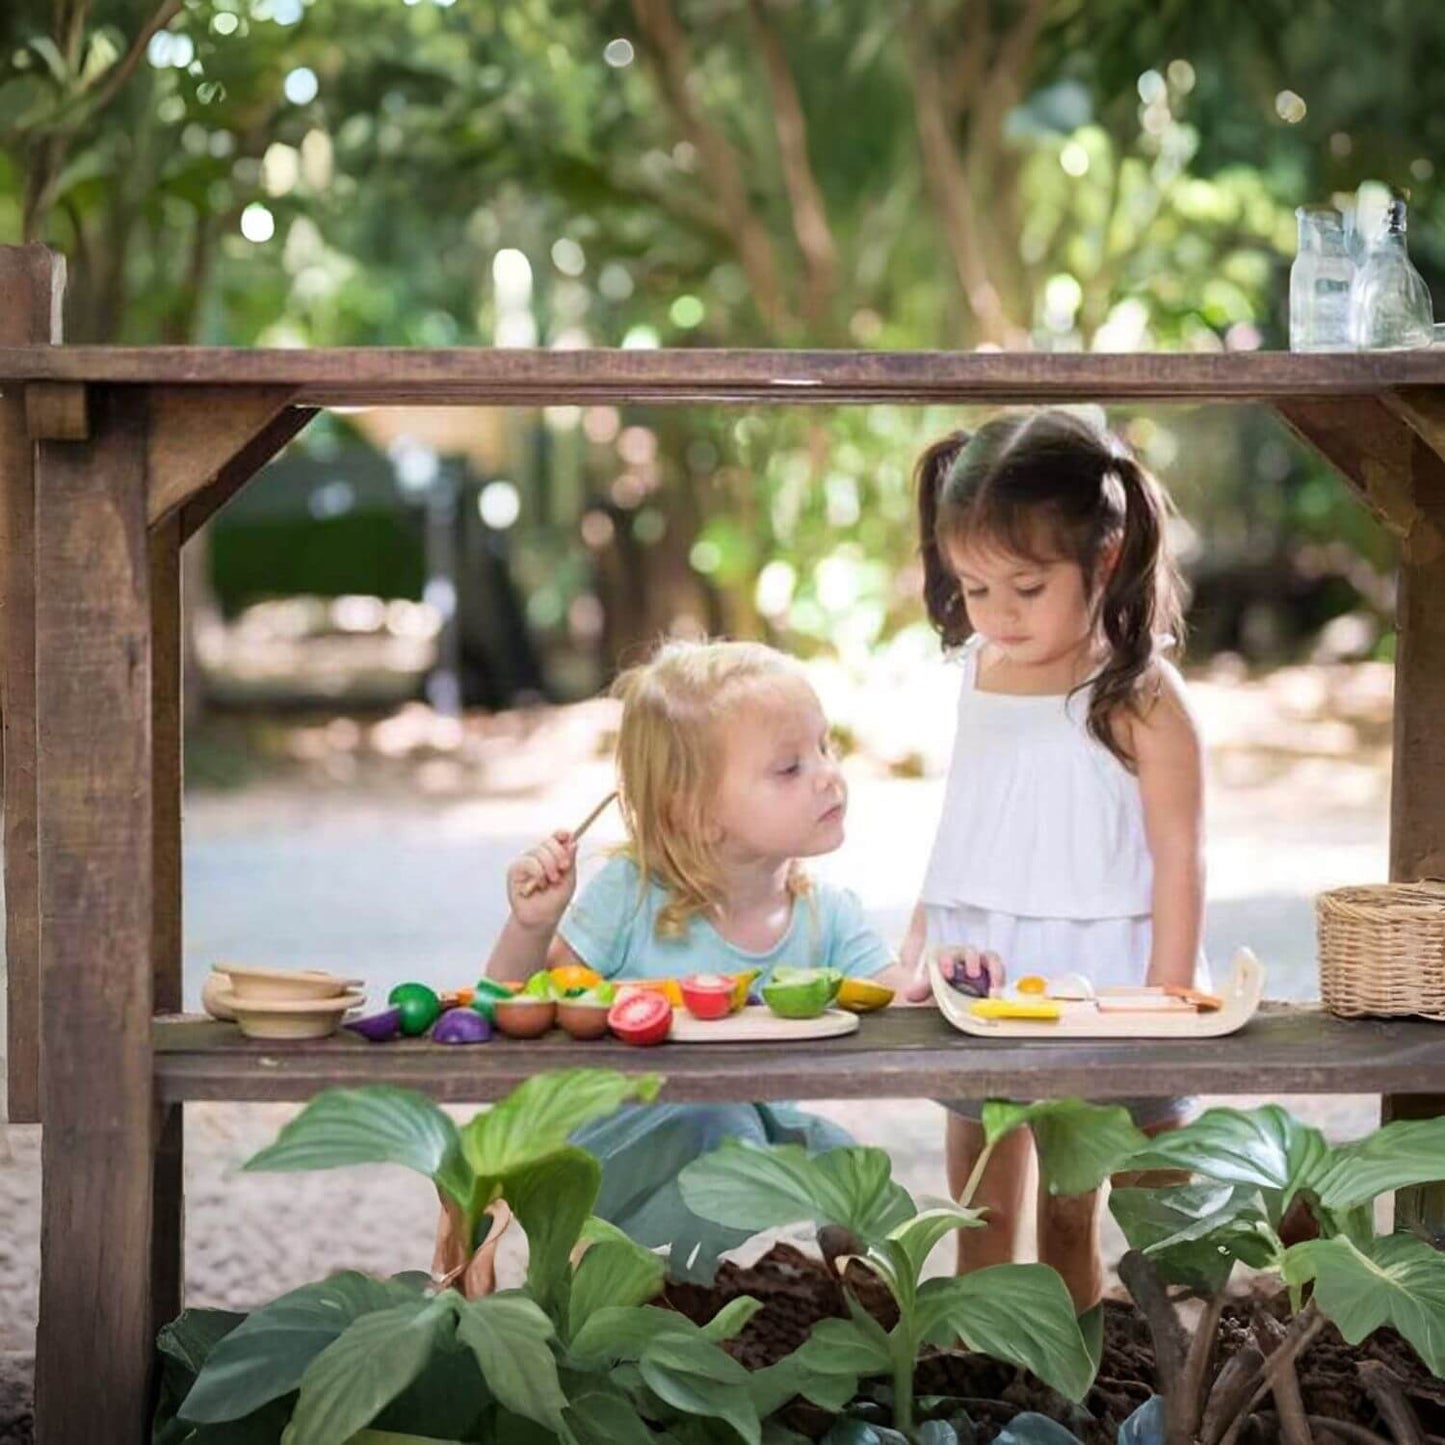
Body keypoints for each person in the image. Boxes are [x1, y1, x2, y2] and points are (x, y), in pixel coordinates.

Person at [900, 408, 1208, 1312]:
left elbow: (1179, 854)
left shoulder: (1140, 693)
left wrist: (1167, 994)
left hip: (1107, 975)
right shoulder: (980, 669)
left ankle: (1075, 1367)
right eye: (975, 588)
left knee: (1076, 1207)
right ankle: (978, 1374)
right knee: (979, 1202)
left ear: (1104, 560)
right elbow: (969, 815)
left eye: (1026, 589)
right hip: (985, 957)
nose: (996, 614)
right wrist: (921, 933)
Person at [485, 637, 911, 1278]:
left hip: (746, 1128)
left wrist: (949, 976)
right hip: (615, 1141)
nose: (828, 774)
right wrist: (530, 924)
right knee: (720, 1124)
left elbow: (899, 1001)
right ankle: (630, 1290)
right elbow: (513, 1005)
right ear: (697, 812)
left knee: (849, 1166)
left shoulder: (827, 910)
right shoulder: (628, 898)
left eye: (825, 746)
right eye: (789, 767)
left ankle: (846, 1320)